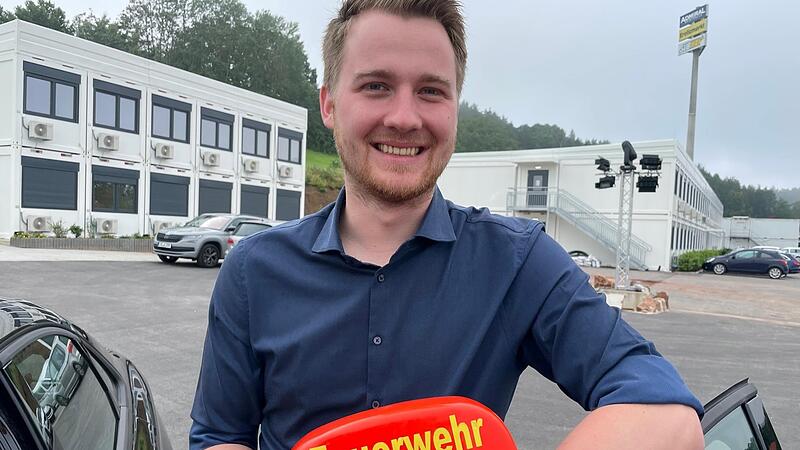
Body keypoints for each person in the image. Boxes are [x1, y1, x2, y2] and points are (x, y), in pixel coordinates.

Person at [190, 1, 705, 449]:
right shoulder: (253, 271)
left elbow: (668, 414)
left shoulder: (518, 263)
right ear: (329, 103)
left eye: (431, 92)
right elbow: (221, 437)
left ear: (455, 108)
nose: (405, 117)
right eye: (376, 86)